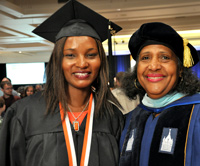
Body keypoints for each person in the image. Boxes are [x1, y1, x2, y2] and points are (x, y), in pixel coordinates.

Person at [0, 0, 124, 166]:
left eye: (91, 55)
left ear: (101, 61)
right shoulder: (24, 114)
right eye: (70, 55)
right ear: (58, 61)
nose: (82, 63)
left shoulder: (112, 117)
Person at [119, 22, 200, 166]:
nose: (154, 66)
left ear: (180, 69)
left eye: (164, 57)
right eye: (145, 58)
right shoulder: (129, 120)